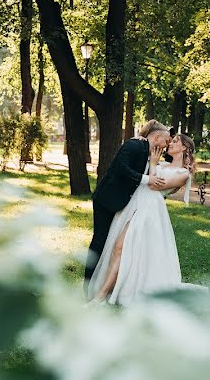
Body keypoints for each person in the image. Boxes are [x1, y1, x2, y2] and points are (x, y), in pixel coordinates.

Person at [87, 133, 197, 305]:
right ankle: (108, 291)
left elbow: (154, 185)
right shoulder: (162, 163)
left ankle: (101, 296)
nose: (171, 143)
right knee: (119, 247)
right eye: (171, 140)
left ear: (184, 148)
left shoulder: (183, 174)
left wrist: (153, 164)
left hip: (151, 211)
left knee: (122, 246)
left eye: (175, 141)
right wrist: (141, 138)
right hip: (134, 204)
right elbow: (140, 164)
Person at [84, 120, 171, 290]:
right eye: (166, 141)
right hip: (107, 201)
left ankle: (105, 283)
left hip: (122, 204)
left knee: (112, 244)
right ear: (157, 136)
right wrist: (147, 179)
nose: (167, 145)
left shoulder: (151, 152)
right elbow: (120, 168)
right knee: (99, 242)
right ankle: (87, 283)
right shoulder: (134, 145)